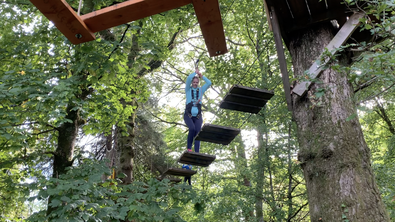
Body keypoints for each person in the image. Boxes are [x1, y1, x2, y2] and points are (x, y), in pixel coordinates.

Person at [184, 68, 212, 153]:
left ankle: (197, 151)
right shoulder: (188, 90)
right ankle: (189, 148)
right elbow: (188, 79)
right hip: (188, 115)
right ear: (192, 83)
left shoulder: (201, 90)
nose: (195, 84)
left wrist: (201, 76)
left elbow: (209, 83)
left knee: (198, 132)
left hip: (198, 116)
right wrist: (194, 73)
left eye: (196, 82)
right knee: (192, 128)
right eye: (194, 82)